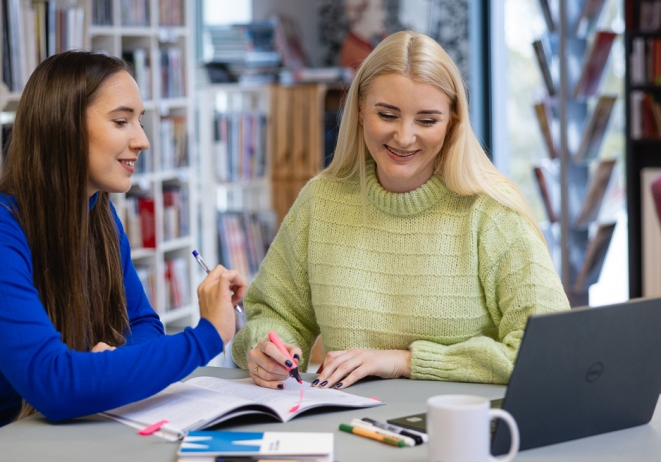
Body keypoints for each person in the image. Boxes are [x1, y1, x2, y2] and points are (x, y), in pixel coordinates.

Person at [0, 51, 246, 458]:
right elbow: (54, 386)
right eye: (121, 121)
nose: (142, 140)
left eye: (140, 120)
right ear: (64, 128)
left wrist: (111, 363)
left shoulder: (98, 215)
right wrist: (207, 336)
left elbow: (141, 323)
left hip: (26, 434)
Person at [232, 31, 570, 390]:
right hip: (349, 420)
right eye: (387, 115)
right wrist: (268, 350)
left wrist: (405, 361)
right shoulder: (321, 202)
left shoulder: (492, 213)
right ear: (360, 110)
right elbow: (274, 315)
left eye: (427, 121)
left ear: (453, 121)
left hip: (463, 422)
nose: (404, 137)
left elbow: (553, 351)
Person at [339, 0, 387, 71]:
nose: (383, 15)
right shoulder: (353, 49)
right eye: (377, 8)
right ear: (361, 13)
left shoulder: (367, 43)